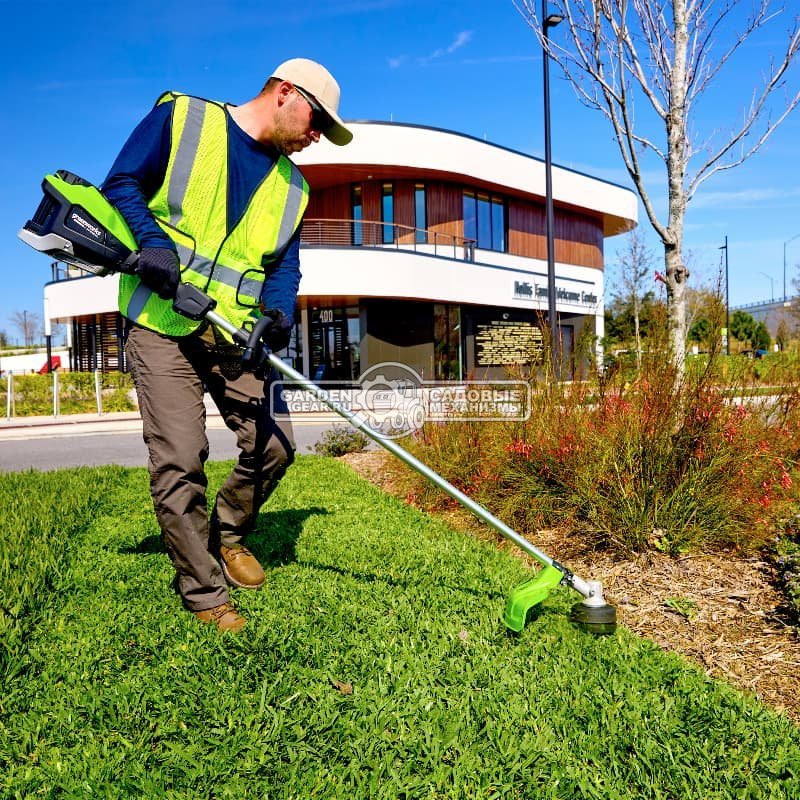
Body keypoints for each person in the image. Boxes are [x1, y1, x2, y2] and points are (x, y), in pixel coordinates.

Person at [102, 59, 352, 632]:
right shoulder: (183, 120)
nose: (317, 137)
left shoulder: (294, 187)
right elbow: (121, 182)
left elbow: (284, 265)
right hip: (162, 322)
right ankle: (204, 590)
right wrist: (152, 244)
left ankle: (229, 534)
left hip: (234, 333)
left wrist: (279, 314)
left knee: (275, 447)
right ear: (286, 93)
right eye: (317, 122)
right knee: (182, 459)